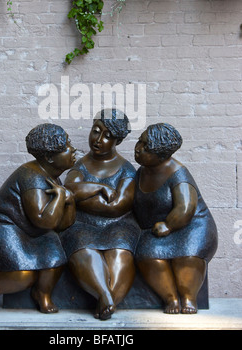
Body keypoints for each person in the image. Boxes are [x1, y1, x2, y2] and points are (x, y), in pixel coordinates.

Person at [0, 123, 76, 313]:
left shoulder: (52, 178)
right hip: (0, 229)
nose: (73, 149)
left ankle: (42, 294)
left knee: (55, 258)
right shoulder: (33, 177)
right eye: (66, 146)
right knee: (23, 274)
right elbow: (44, 220)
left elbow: (62, 225)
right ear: (49, 158)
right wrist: (61, 197)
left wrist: (69, 201)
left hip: (31, 232)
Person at [61, 109, 140, 320]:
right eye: (96, 131)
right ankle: (104, 295)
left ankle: (110, 299)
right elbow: (69, 190)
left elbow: (119, 206)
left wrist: (83, 195)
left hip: (120, 223)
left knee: (120, 250)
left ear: (118, 140)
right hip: (82, 223)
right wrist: (98, 188)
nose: (98, 139)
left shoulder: (126, 169)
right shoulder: (80, 165)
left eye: (107, 136)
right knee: (83, 247)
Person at [133, 123, 218, 314]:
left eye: (145, 147)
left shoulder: (178, 173)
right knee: (147, 255)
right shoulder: (141, 173)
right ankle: (170, 298)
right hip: (156, 230)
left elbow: (186, 207)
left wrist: (168, 226)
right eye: (140, 141)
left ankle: (189, 297)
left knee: (187, 257)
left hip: (191, 226)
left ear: (162, 155)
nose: (138, 148)